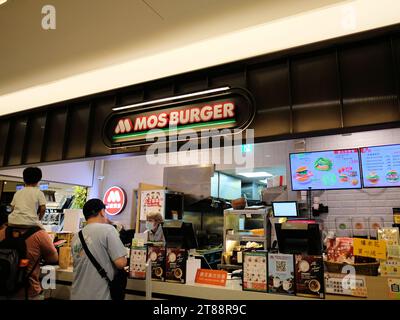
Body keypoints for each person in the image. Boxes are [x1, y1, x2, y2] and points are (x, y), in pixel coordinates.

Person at [71, 199, 127, 300]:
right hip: (99, 295)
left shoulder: (76, 236)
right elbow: (121, 263)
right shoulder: (108, 230)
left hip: (77, 294)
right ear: (102, 211)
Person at [0, 222, 58, 299]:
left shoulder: (2, 232)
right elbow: (53, 259)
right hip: (28, 292)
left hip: (3, 290)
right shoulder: (39, 234)